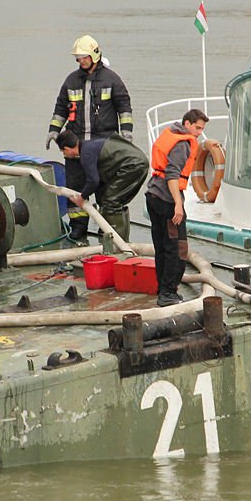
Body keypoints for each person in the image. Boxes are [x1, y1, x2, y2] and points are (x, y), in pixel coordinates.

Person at [46, 35, 134, 242]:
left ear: (94, 55)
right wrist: (53, 130)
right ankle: (79, 228)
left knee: (104, 190)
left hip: (103, 146)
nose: (80, 61)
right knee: (74, 187)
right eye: (78, 58)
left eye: (83, 57)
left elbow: (124, 107)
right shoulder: (71, 80)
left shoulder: (112, 79)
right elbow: (61, 109)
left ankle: (107, 228)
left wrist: (127, 133)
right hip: (75, 146)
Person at [146, 109, 208, 307]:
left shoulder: (170, 133)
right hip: (166, 200)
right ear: (187, 124)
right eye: (197, 128)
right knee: (177, 247)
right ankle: (168, 293)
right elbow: (172, 175)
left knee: (161, 245)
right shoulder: (182, 143)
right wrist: (178, 205)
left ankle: (161, 288)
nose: (199, 132)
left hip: (153, 194)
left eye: (202, 129)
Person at [54, 129, 149, 241]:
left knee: (111, 200)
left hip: (133, 165)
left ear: (67, 149)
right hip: (137, 162)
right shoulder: (89, 146)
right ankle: (121, 239)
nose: (65, 155)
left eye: (63, 152)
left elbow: (93, 180)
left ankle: (116, 242)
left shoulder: (86, 154)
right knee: (117, 200)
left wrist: (82, 197)